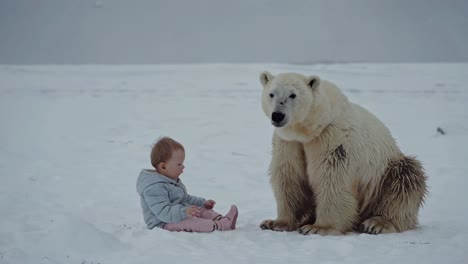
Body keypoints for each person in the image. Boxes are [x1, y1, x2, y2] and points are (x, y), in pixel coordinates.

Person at [136, 136, 238, 232]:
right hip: (163, 224)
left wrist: (202, 203)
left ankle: (223, 219)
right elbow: (163, 212)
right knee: (193, 222)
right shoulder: (153, 188)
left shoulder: (171, 180)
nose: (183, 167)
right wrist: (184, 212)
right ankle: (219, 226)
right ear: (163, 167)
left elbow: (185, 198)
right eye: (179, 164)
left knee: (200, 210)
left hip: (178, 215)